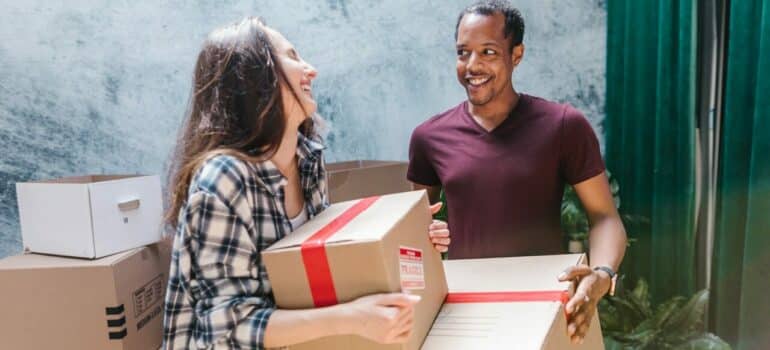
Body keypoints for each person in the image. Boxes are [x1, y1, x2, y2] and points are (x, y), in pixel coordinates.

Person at [162, 17, 450, 349]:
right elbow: (227, 329)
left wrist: (411, 244)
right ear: (256, 77)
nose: (310, 69)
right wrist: (351, 319)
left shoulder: (307, 161)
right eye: (293, 57)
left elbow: (324, 266)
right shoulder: (225, 179)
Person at [407, 1, 626, 344]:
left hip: (543, 305)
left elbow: (605, 218)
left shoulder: (563, 126)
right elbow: (412, 232)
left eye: (488, 52)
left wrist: (602, 275)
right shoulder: (428, 137)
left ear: (517, 54)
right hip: (464, 312)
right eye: (463, 52)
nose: (472, 66)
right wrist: (426, 234)